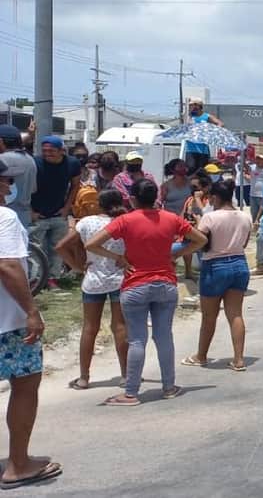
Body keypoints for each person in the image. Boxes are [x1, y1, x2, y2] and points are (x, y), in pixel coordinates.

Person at [85, 179, 207, 406]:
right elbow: (201, 239)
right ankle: (169, 386)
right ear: (156, 198)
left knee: (137, 340)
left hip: (135, 285)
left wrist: (118, 258)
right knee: (163, 337)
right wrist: (176, 255)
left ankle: (131, 393)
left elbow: (91, 244)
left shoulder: (125, 220)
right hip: (166, 283)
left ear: (132, 198)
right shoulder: (171, 218)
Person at [0, 157, 62, 489]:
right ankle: (18, 465)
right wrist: (31, 311)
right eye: (5, 181)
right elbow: (8, 265)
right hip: (7, 323)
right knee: (25, 384)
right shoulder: (5, 218)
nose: (9, 187)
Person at [56, 189, 128, 391]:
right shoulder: (124, 222)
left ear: (99, 204)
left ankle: (84, 377)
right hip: (119, 278)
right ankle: (125, 375)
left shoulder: (86, 222)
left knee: (89, 328)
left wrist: (78, 267)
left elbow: (61, 246)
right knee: (120, 327)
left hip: (93, 279)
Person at [183, 180, 251, 371]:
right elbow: (244, 244)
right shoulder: (244, 217)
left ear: (214, 197)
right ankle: (239, 359)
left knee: (209, 316)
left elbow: (200, 239)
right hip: (239, 263)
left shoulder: (210, 217)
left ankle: (201, 355)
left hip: (215, 265)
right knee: (236, 314)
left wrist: (196, 224)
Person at [31, 135, 81, 291]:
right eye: (44, 151)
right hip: (37, 213)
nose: (47, 154)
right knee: (37, 249)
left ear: (62, 151)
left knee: (57, 248)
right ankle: (37, 279)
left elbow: (75, 186)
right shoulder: (35, 162)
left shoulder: (72, 163)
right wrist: (31, 211)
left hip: (59, 213)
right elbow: (25, 187)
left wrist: (67, 207)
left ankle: (53, 279)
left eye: (51, 151)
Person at [0, 124, 36, 227]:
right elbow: (33, 189)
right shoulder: (30, 159)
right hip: (23, 217)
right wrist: (29, 135)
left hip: (5, 220)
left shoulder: (3, 159)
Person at [248, 155, 263, 224]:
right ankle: (255, 229)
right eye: (257, 159)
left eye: (260, 159)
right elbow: (245, 167)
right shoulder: (252, 168)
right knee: (254, 213)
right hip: (253, 195)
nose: (258, 161)